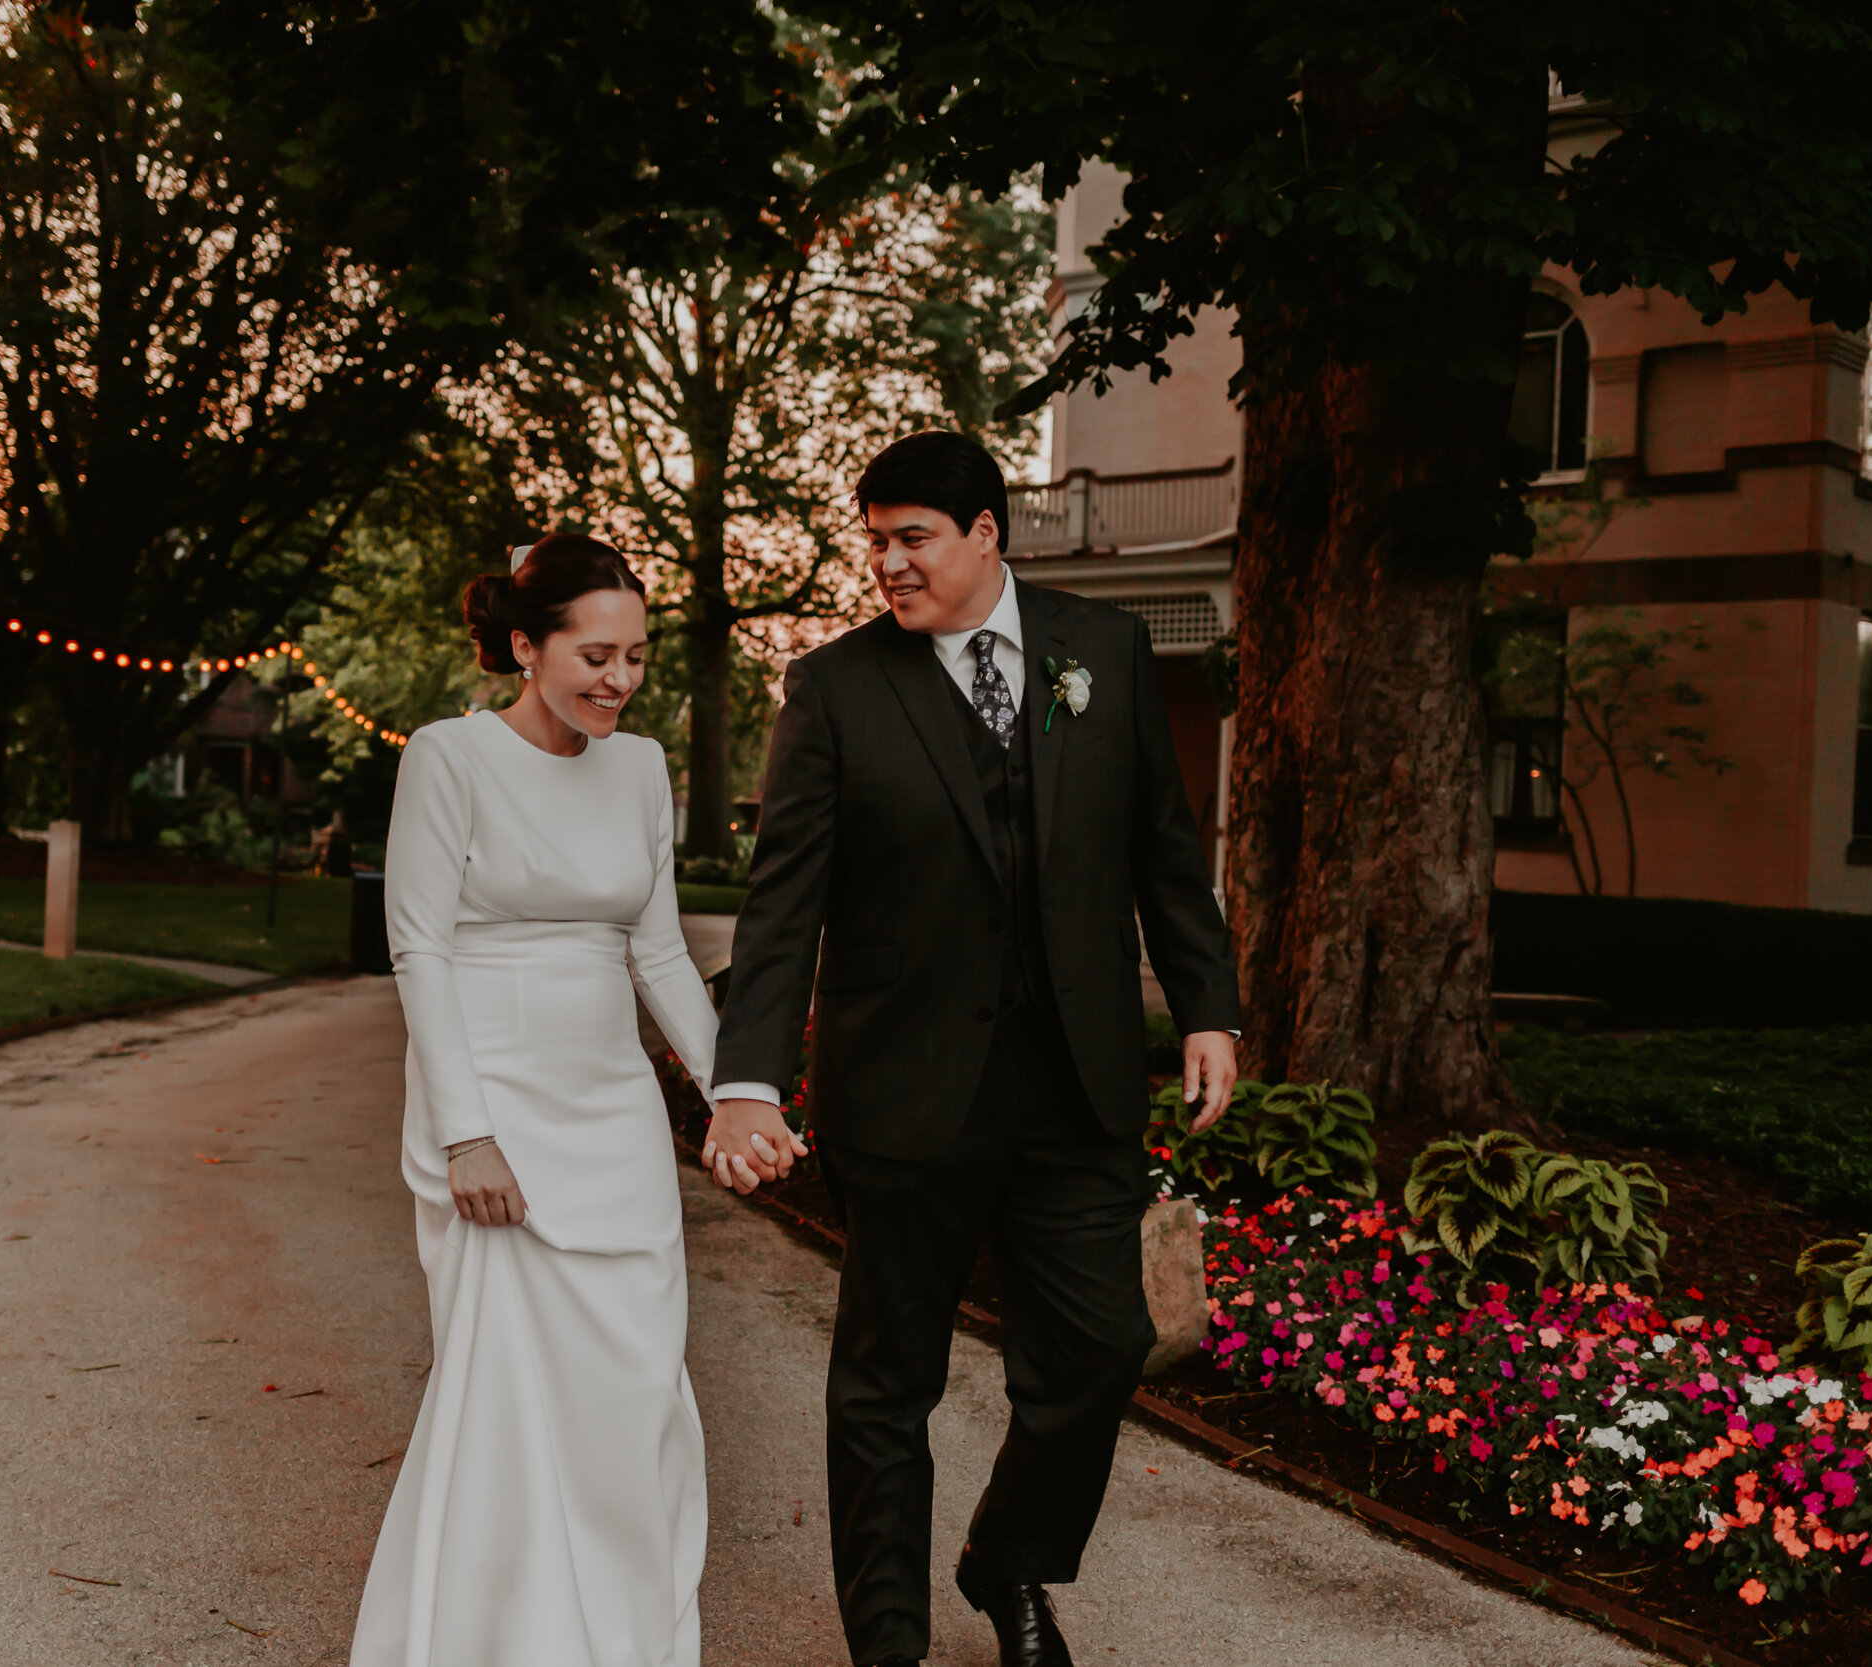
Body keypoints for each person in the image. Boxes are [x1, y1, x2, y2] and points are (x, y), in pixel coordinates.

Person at [707, 432, 1240, 1667]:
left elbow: (1163, 843)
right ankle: (886, 1640)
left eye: (913, 538)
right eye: (876, 540)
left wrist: (1207, 1002)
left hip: (1077, 1084)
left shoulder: (1099, 651)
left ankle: (1007, 1562)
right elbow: (785, 900)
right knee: (887, 1384)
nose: (887, 563)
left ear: (987, 533)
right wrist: (746, 1080)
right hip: (902, 1090)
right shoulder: (833, 687)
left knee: (1103, 1344)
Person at [351, 534, 745, 1667]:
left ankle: (621, 1635)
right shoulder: (448, 756)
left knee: (633, 1384)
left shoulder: (636, 765)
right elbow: (418, 946)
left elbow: (658, 953)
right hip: (493, 1116)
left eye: (635, 656)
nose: (618, 679)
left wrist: (734, 1095)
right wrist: (464, 1131)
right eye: (595, 653)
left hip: (611, 1116)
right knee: (509, 1396)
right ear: (525, 646)